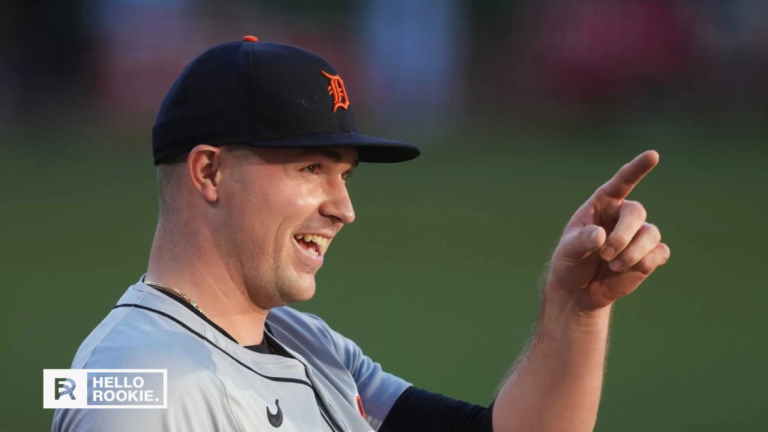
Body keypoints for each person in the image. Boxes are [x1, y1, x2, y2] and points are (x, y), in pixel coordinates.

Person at [51, 37, 670, 432]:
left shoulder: (308, 343)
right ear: (209, 171)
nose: (344, 208)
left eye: (344, 174)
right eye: (311, 168)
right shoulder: (132, 383)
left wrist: (578, 307)